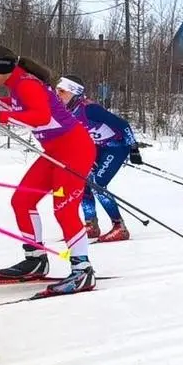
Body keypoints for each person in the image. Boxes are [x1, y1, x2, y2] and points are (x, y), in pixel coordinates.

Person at [0, 45, 97, 295]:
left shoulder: (26, 84)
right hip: (55, 152)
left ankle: (82, 270)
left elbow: (41, 117)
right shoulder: (18, 85)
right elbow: (12, 106)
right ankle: (35, 260)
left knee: (64, 210)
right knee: (22, 200)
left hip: (75, 150)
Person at [56, 74, 141, 243]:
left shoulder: (89, 109)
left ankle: (120, 227)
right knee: (83, 181)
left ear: (74, 93)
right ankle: (91, 225)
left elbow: (122, 124)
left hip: (117, 147)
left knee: (98, 184)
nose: (58, 94)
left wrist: (133, 148)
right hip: (99, 147)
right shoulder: (67, 110)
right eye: (57, 91)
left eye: (62, 91)